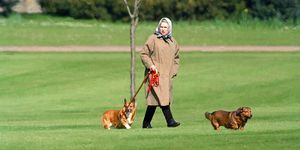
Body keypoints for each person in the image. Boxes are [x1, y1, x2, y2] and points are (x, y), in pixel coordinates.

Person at [140, 17, 180, 128]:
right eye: (161, 27)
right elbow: (144, 54)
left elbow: (176, 58)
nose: (163, 29)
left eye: (165, 27)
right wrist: (151, 66)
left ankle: (146, 123)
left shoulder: (173, 41)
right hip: (155, 75)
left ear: (169, 28)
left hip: (167, 76)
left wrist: (174, 71)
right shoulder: (153, 39)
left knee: (155, 101)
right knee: (163, 99)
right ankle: (170, 121)